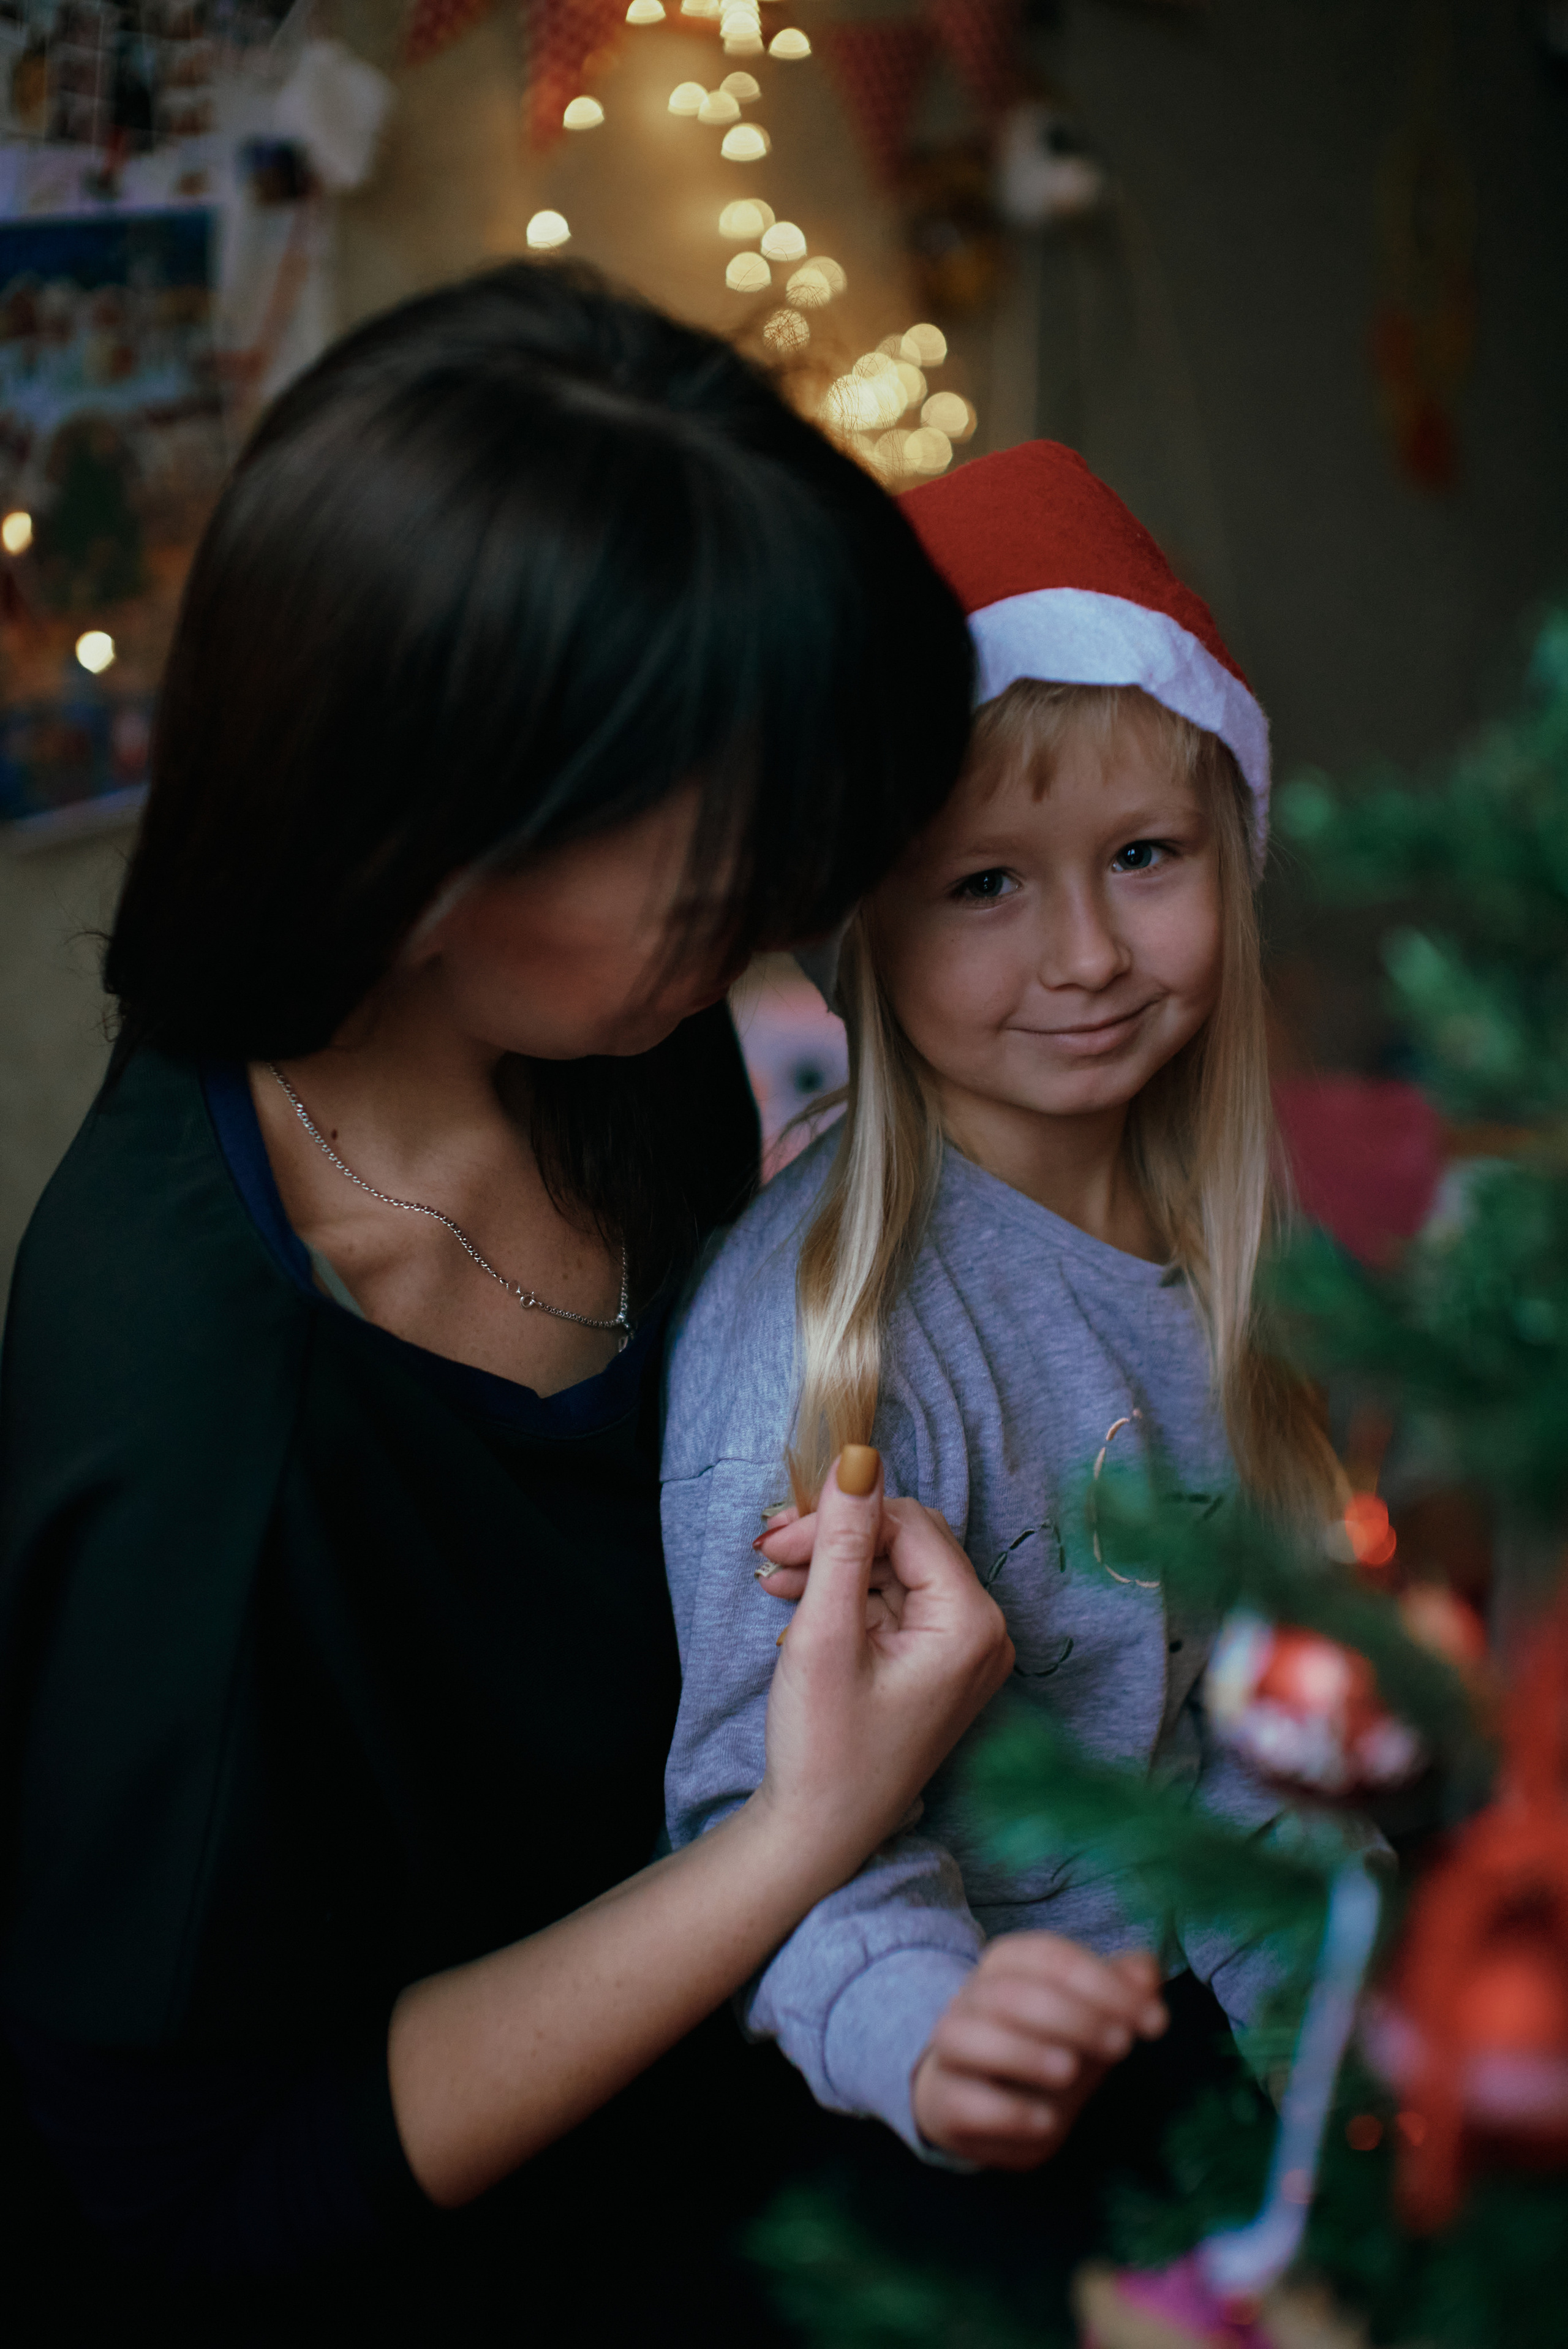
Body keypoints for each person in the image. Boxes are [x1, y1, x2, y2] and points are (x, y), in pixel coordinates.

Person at [0, 262, 1016, 2338]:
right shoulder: (201, 1395)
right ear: (433, 848)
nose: (784, 912)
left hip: (767, 2041)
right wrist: (802, 1832)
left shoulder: (600, 1041)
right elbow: (186, 2193)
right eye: (726, 858)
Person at [662, 441, 1366, 2193]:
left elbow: (1254, 1703)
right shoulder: (827, 1335)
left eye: (1143, 856)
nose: (1086, 955)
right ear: (872, 927)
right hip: (953, 2111)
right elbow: (761, 1830)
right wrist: (932, 2031)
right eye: (987, 882)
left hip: (1253, 2047)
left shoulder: (1231, 1229)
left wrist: (1334, 2042)